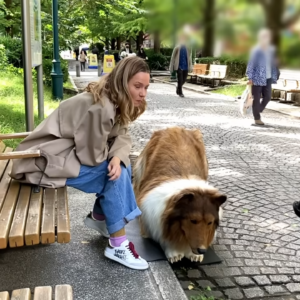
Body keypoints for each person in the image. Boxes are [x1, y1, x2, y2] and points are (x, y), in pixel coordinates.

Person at [10, 57, 151, 270]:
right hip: (39, 163)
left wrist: (116, 155)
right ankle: (117, 243)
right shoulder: (102, 107)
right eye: (137, 86)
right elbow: (91, 158)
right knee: (115, 172)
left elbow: (122, 134)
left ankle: (102, 218)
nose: (143, 93)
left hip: (56, 157)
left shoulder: (112, 98)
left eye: (146, 87)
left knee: (118, 164)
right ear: (123, 83)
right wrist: (115, 158)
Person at [246, 28, 279, 125]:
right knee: (256, 98)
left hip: (268, 77)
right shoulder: (256, 50)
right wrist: (250, 78)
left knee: (268, 97)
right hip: (257, 78)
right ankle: (257, 118)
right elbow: (251, 64)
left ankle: (258, 109)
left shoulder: (271, 50)